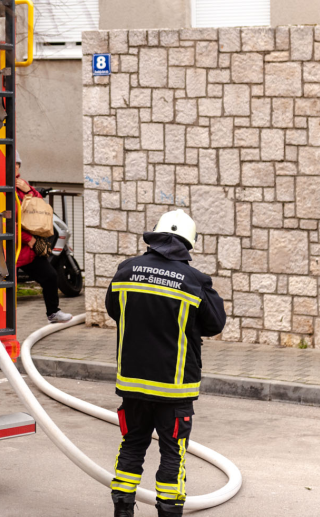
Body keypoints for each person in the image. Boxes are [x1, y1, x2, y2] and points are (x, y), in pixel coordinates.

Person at [105, 209, 226, 517]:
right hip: (174, 388)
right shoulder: (195, 281)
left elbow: (114, 309)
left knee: (132, 445)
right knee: (173, 452)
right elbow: (214, 324)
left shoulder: (125, 270)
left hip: (131, 383)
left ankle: (122, 512)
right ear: (188, 244)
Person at [15, 152, 72, 324]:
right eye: (13, 163)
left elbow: (38, 209)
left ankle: (53, 313)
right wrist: (29, 239)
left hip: (26, 249)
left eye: (18, 164)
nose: (16, 167)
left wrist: (29, 190)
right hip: (12, 249)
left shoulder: (21, 185)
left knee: (50, 276)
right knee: (7, 290)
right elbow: (8, 223)